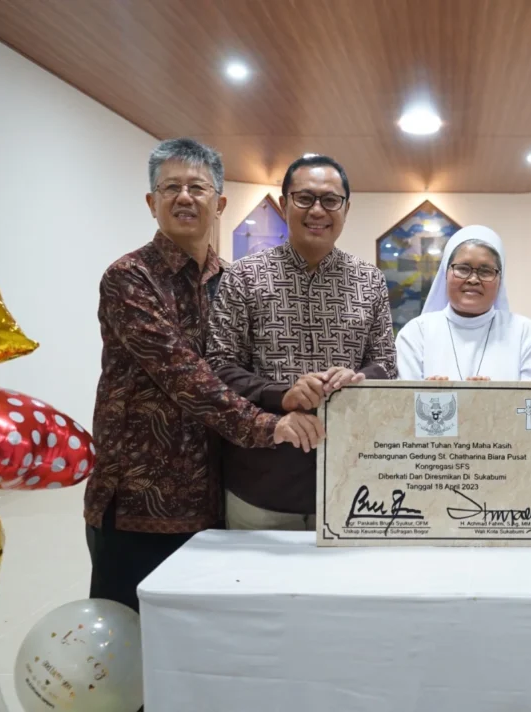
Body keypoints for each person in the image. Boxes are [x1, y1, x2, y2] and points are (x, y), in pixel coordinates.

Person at [83, 138, 321, 614]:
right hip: (138, 499)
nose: (185, 197)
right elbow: (183, 373)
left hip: (214, 498)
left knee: (198, 644)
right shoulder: (129, 278)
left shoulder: (232, 282)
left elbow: (246, 369)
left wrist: (299, 390)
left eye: (197, 187)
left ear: (221, 202)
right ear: (152, 203)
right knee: (129, 647)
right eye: (171, 188)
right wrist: (270, 424)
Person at [207, 154, 396, 531]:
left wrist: (360, 378)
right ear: (283, 204)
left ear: (346, 208)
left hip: (351, 483)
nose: (317, 210)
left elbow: (387, 365)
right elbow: (218, 367)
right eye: (304, 198)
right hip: (261, 483)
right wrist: (282, 395)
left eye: (330, 200)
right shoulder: (244, 276)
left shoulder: (369, 280)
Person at [395, 225, 531, 382]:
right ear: (446, 273)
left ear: (500, 279)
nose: (473, 279)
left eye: (485, 271)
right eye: (463, 269)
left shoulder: (526, 334)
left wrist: (487, 400)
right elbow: (402, 403)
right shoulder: (416, 333)